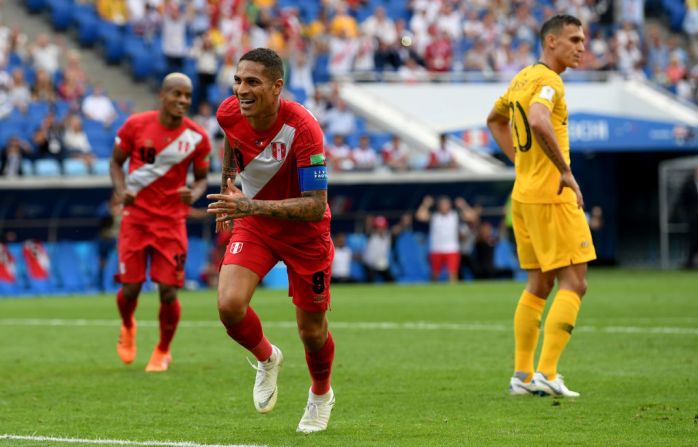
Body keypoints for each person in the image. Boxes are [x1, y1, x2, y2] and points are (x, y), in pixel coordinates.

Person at [206, 48, 336, 433]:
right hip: (254, 220)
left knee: (312, 333)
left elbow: (316, 207)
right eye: (238, 80)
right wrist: (228, 184)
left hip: (305, 234)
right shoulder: (229, 112)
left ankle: (320, 395)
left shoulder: (304, 129)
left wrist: (249, 205)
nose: (241, 90)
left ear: (277, 86)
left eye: (252, 82)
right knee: (229, 306)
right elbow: (232, 142)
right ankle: (267, 358)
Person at [486, 14, 596, 398]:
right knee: (575, 283)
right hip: (551, 194)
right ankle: (547, 371)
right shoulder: (549, 81)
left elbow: (494, 119)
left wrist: (519, 162)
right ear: (551, 41)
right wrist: (565, 171)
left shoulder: (522, 78)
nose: (581, 47)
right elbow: (537, 120)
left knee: (538, 284)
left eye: (583, 40)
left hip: (523, 194)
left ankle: (522, 374)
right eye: (574, 39)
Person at [109, 73, 211, 372]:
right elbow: (116, 162)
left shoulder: (197, 137)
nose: (183, 101)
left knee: (168, 290)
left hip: (171, 222)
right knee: (130, 289)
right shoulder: (135, 126)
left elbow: (203, 178)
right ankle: (128, 325)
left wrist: (192, 193)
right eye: (177, 94)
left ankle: (163, 350)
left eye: (187, 95)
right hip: (136, 218)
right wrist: (121, 190)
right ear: (162, 96)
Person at [677, 167, 698, 268]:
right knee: (693, 241)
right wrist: (687, 214)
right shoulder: (688, 184)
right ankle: (690, 263)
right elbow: (682, 201)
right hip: (693, 219)